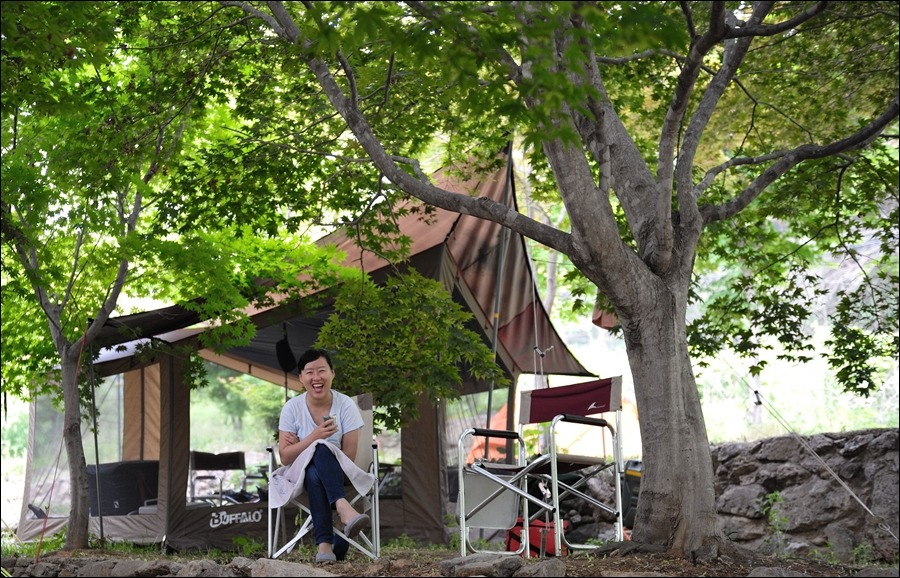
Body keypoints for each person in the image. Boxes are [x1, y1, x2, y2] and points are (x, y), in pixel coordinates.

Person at [277, 348, 371, 563]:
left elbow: (349, 455)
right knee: (315, 459)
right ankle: (343, 507)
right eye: (310, 372)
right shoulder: (292, 408)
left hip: (341, 471)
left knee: (319, 457)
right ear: (301, 377)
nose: (316, 377)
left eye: (321, 371)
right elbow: (285, 458)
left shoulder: (345, 404)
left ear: (332, 373)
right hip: (300, 476)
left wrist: (305, 445)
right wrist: (315, 437)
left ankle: (325, 545)